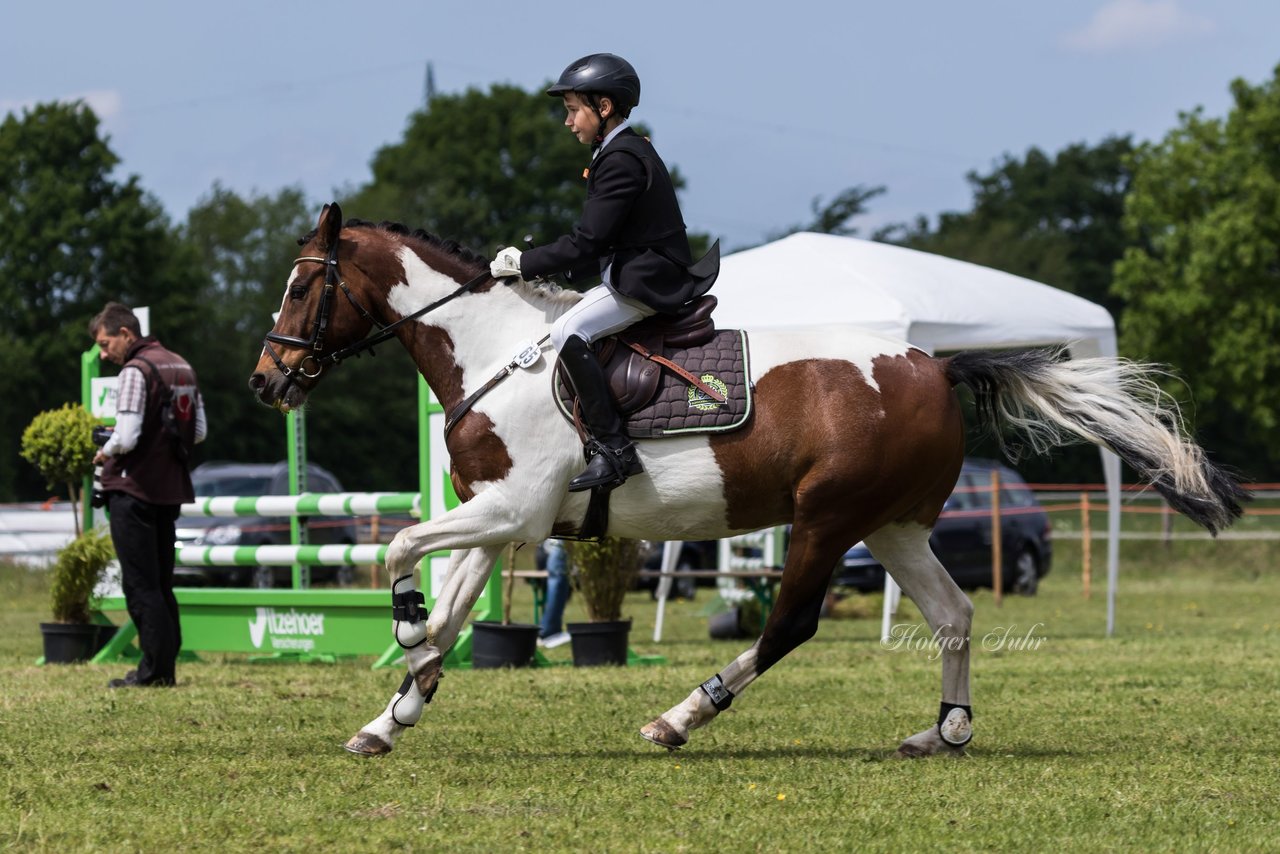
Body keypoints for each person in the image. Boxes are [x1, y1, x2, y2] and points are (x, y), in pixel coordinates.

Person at [491, 52, 719, 493]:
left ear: (604, 107)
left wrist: (524, 263)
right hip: (635, 271)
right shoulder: (619, 151)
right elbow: (604, 239)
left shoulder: (620, 159)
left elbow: (589, 240)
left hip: (649, 281)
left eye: (573, 110)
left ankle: (614, 450)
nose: (568, 121)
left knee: (567, 333)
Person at [88, 302, 207, 688]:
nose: (104, 354)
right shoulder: (181, 364)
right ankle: (163, 667)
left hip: (133, 487)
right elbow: (200, 431)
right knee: (161, 583)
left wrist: (105, 449)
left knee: (140, 584)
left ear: (126, 333)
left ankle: (153, 671)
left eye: (106, 345)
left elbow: (127, 435)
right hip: (168, 488)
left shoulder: (135, 371)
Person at [537, 539, 571, 648]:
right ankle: (549, 630)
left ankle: (551, 628)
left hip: (545, 543)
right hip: (557, 542)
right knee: (558, 580)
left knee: (558, 582)